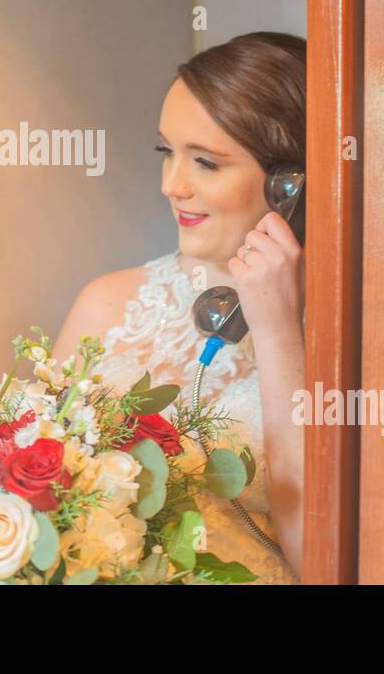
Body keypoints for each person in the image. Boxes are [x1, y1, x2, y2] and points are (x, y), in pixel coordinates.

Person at [53, 32, 306, 584]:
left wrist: (280, 332)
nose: (172, 185)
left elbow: (324, 559)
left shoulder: (351, 331)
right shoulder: (104, 305)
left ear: (291, 183)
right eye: (167, 152)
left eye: (207, 164)